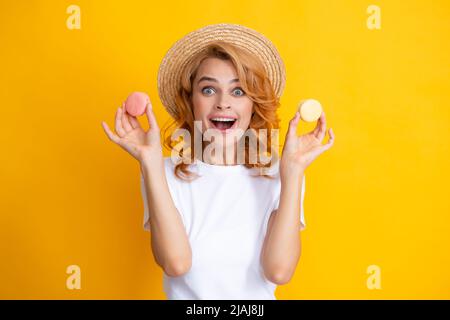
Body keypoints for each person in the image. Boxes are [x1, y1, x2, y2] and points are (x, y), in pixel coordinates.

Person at [101, 23, 335, 300]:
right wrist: (149, 162)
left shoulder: (279, 173)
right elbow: (176, 263)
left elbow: (279, 272)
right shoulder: (162, 172)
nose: (223, 103)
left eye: (238, 92)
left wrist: (293, 172)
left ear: (253, 104)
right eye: (209, 90)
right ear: (191, 101)